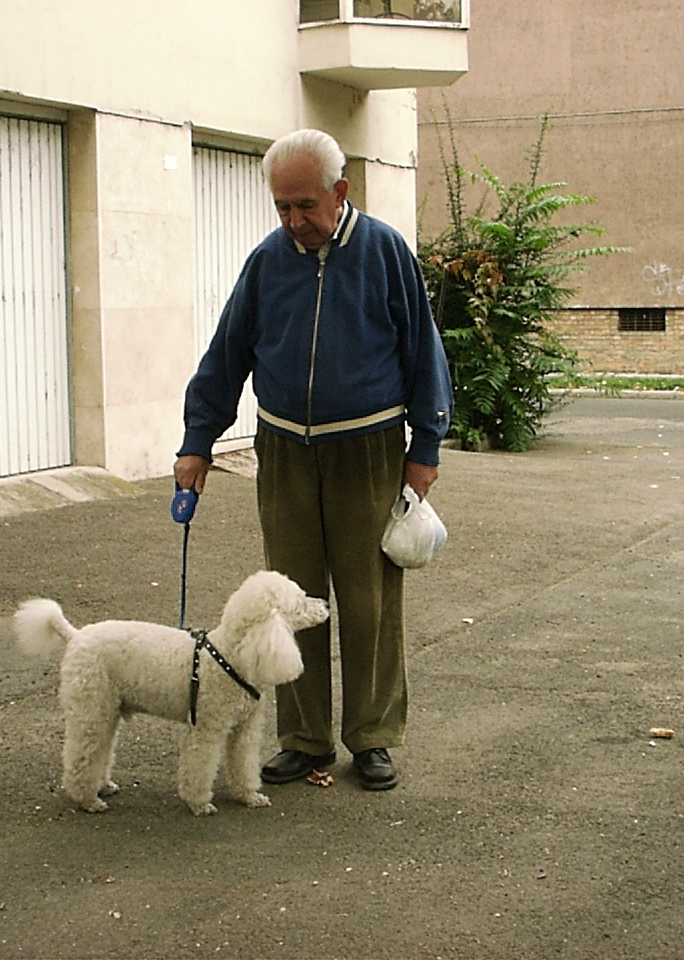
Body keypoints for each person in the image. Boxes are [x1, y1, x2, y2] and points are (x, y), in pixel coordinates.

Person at [173, 128, 452, 791]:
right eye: (282, 208)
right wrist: (197, 440)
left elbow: (424, 355)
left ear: (340, 192)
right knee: (287, 599)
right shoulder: (268, 261)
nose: (294, 221)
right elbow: (227, 353)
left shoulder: (385, 252)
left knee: (369, 603)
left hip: (369, 450)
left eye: (305, 205)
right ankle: (304, 738)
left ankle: (372, 737)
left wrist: (426, 448)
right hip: (285, 453)